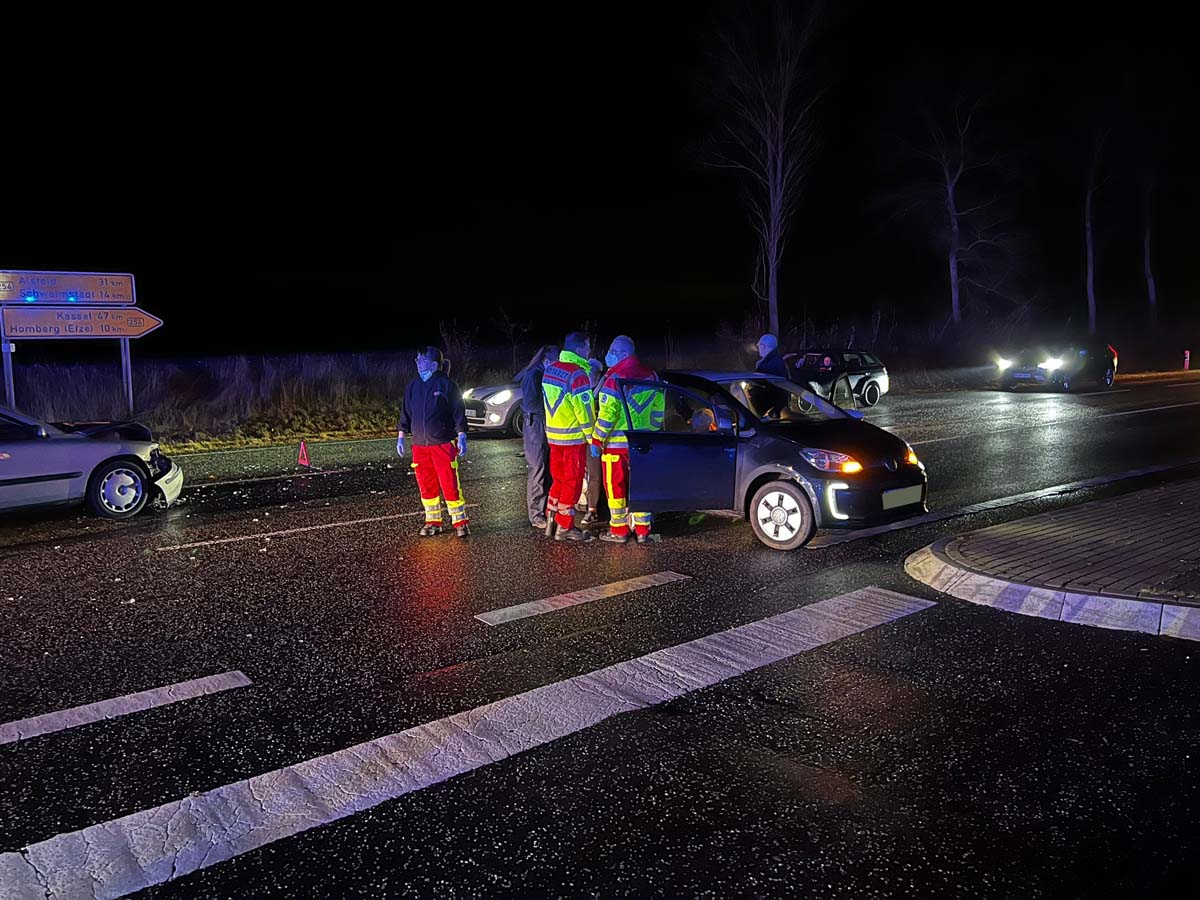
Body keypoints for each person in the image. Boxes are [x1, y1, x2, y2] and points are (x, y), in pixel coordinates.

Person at [591, 335, 662, 544]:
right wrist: (652, 433)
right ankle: (642, 531)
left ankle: (619, 531)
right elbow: (658, 409)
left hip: (616, 445)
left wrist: (596, 440)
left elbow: (607, 415)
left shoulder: (614, 378)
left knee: (616, 488)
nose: (609, 354)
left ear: (622, 354)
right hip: (644, 443)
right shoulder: (651, 375)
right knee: (642, 486)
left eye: (612, 350)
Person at [396, 346, 470, 538]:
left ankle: (460, 522)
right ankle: (433, 522)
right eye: (417, 359)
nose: (418, 362)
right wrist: (401, 435)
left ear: (435, 364)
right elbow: (406, 412)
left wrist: (461, 434)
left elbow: (458, 410)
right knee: (426, 485)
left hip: (443, 444)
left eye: (422, 359)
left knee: (449, 483)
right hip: (420, 446)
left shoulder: (446, 384)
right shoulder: (413, 386)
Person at [541, 331, 596, 541]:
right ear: (580, 348)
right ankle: (565, 527)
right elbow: (585, 412)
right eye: (587, 346)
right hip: (573, 439)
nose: (589, 350)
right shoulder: (578, 374)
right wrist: (592, 438)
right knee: (572, 482)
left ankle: (551, 520)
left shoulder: (550, 370)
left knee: (558, 480)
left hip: (554, 438)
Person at [519, 344, 559, 529]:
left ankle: (547, 509)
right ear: (547, 358)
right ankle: (536, 514)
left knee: (547, 466)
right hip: (535, 423)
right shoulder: (535, 374)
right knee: (538, 467)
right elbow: (532, 404)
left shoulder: (539, 372)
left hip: (541, 422)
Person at [580, 355, 606, 527]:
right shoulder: (583, 389)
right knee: (585, 474)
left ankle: (592, 510)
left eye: (591, 372)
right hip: (583, 437)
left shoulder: (603, 390)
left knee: (596, 475)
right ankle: (587, 506)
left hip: (598, 438)